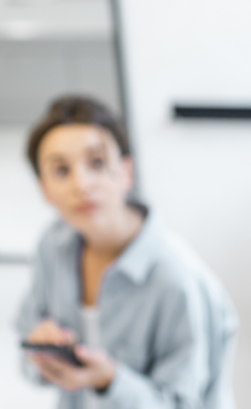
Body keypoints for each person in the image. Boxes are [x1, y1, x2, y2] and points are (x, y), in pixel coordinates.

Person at [16, 96, 238, 409]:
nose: (82, 184)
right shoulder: (52, 247)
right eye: (61, 170)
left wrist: (110, 381)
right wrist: (40, 351)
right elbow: (26, 339)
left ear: (126, 172)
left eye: (96, 163)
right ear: (44, 189)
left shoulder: (177, 278)